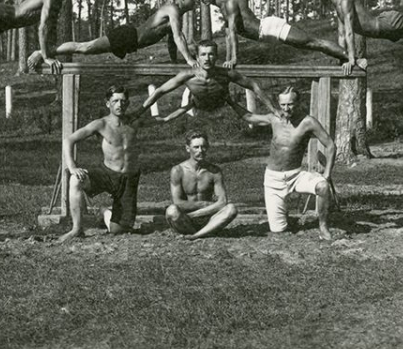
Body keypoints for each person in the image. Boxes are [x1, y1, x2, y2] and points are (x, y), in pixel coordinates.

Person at [228, 86, 336, 240]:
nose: (286, 108)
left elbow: (331, 145)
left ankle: (323, 227)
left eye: (290, 104)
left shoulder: (308, 122)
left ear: (298, 103)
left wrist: (327, 173)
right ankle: (286, 215)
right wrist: (231, 101)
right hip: (273, 180)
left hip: (296, 175)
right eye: (283, 104)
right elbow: (249, 117)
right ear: (279, 104)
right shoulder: (274, 119)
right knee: (278, 230)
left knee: (323, 187)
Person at [197, 0, 366, 74]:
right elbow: (228, 35)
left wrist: (232, 59)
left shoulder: (229, 4)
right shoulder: (223, 6)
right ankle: (346, 58)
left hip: (270, 29)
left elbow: (232, 33)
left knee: (314, 42)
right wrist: (228, 59)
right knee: (313, 45)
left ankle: (355, 59)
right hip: (266, 35)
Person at [27, 0, 199, 71]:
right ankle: (43, 52)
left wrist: (176, 61)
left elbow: (172, 40)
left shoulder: (176, 13)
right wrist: (190, 60)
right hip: (127, 36)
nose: (196, 1)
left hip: (130, 42)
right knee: (85, 47)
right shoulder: (172, 9)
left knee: (84, 48)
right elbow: (178, 36)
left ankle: (45, 52)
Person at [60, 85, 147, 242]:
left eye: (123, 101)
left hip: (128, 178)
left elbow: (161, 106)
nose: (119, 105)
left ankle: (105, 213)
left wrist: (188, 106)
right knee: (75, 180)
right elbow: (69, 140)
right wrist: (72, 167)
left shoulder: (133, 122)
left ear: (127, 103)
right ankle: (77, 229)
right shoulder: (100, 124)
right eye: (115, 101)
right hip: (106, 173)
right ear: (108, 103)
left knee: (118, 230)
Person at [136, 40, 279, 118]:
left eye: (211, 54)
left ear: (216, 57)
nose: (207, 58)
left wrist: (274, 109)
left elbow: (253, 85)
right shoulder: (187, 76)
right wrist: (138, 113)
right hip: (196, 111)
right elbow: (160, 91)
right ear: (197, 58)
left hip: (223, 110)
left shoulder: (226, 74)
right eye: (203, 54)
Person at [165, 130, 238, 240]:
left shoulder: (214, 171)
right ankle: (205, 232)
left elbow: (222, 202)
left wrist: (197, 213)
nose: (201, 151)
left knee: (231, 209)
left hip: (208, 217)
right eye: (196, 147)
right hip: (186, 219)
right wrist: (204, 204)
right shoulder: (178, 170)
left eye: (203, 147)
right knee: (171, 211)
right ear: (187, 148)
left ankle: (195, 236)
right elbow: (178, 202)